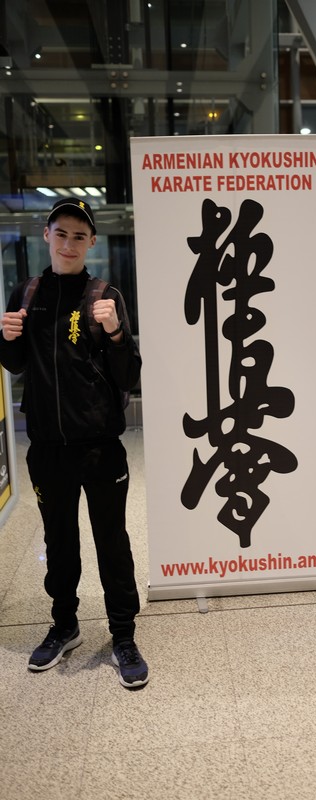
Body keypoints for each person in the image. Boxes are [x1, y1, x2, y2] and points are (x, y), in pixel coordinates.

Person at [0, 197, 149, 689]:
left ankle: (123, 635)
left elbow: (129, 375)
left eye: (79, 236)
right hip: (47, 447)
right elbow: (16, 364)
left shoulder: (105, 296)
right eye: (61, 233)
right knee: (58, 541)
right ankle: (64, 625)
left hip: (100, 447)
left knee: (112, 541)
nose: (69, 243)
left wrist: (115, 332)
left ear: (91, 242)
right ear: (47, 235)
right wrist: (6, 337)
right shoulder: (27, 292)